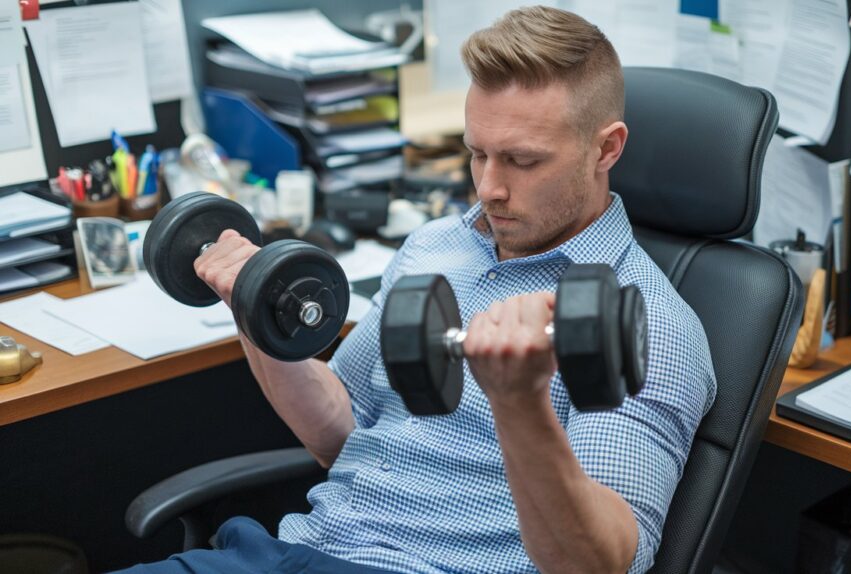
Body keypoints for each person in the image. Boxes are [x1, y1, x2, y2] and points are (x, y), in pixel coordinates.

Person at [119, 6, 715, 574]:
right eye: (477, 153)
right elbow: (338, 430)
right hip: (297, 550)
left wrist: (518, 403)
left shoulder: (649, 322)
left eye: (523, 161)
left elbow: (599, 563)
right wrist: (252, 302)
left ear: (606, 148)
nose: (488, 188)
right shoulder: (436, 245)